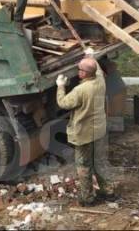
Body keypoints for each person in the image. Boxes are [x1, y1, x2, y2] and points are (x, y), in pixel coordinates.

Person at [56, 49, 115, 206]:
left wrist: (60, 86)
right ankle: (108, 192)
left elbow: (62, 103)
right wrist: (91, 56)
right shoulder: (100, 80)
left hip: (83, 134)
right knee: (100, 162)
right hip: (99, 130)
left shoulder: (80, 90)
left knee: (84, 166)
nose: (78, 71)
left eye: (80, 69)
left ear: (84, 73)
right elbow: (99, 69)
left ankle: (87, 198)